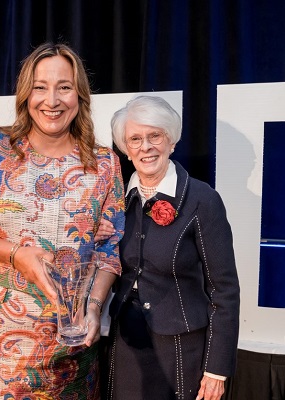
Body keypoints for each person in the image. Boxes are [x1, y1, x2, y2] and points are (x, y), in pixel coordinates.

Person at [0, 42, 124, 399]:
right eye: (40, 87)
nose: (51, 100)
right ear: (25, 94)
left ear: (80, 95)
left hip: (72, 356)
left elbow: (109, 249)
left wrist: (96, 309)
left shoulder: (104, 164)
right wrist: (16, 255)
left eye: (64, 87)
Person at [97, 95, 240, 400]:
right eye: (135, 139)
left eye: (155, 136)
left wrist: (216, 370)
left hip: (181, 347)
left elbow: (224, 291)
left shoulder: (203, 200)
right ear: (125, 147)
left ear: (171, 141)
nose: (145, 147)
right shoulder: (116, 199)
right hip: (126, 341)